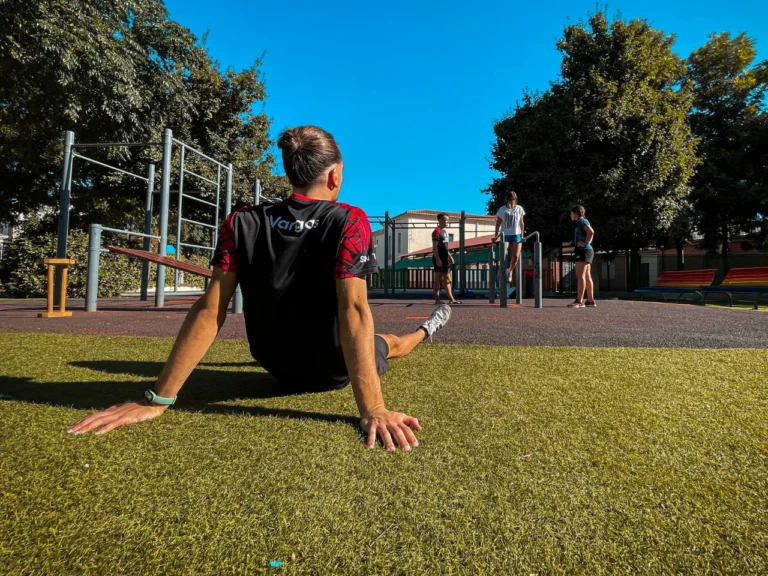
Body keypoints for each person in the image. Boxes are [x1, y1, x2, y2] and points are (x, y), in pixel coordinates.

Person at [68, 125, 452, 452]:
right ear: (334, 175)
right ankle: (427, 328)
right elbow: (353, 311)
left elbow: (210, 308)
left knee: (363, 334)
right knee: (393, 341)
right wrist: (373, 409)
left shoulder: (241, 220)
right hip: (331, 369)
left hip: (275, 363)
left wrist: (158, 400)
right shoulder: (349, 219)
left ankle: (423, 329)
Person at [494, 192, 525, 288]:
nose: (511, 202)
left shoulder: (519, 208)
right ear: (507, 200)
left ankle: (509, 271)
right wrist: (496, 236)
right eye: (510, 199)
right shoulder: (502, 209)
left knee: (516, 255)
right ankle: (501, 269)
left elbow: (521, 223)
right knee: (504, 253)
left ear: (515, 200)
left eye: (513, 200)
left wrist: (522, 236)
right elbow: (498, 224)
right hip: (505, 234)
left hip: (516, 234)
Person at [567, 205, 596, 308]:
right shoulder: (581, 222)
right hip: (586, 250)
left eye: (571, 213)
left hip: (583, 251)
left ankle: (579, 301)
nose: (570, 215)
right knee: (587, 276)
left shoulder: (582, 221)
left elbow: (591, 232)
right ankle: (590, 300)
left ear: (576, 214)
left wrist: (585, 243)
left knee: (580, 276)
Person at [432, 213, 460, 305]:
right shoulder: (436, 231)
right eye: (445, 220)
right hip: (439, 258)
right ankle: (437, 299)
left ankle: (451, 299)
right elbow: (435, 247)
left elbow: (445, 247)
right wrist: (437, 259)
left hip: (445, 257)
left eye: (447, 220)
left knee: (447, 279)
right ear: (439, 220)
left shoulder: (445, 232)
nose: (446, 222)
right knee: (439, 278)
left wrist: (450, 256)